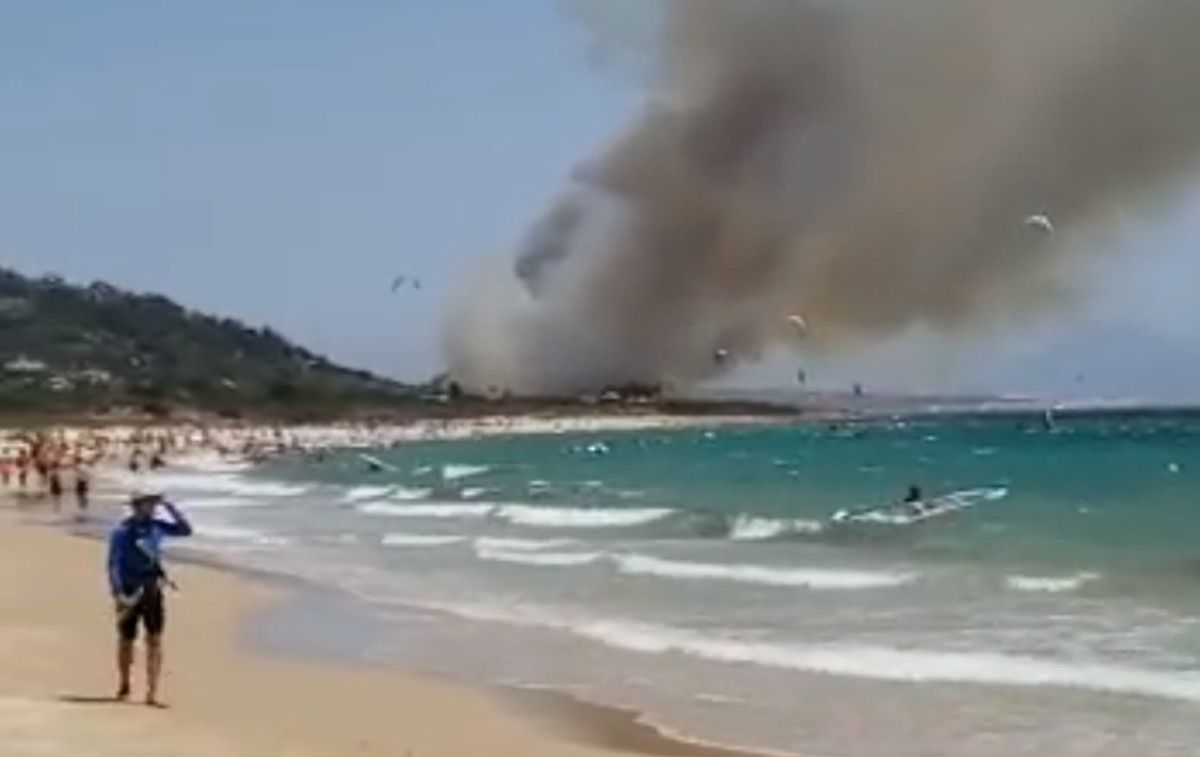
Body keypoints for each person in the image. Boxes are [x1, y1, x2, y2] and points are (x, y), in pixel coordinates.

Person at [107, 491, 192, 706]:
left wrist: (170, 507)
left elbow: (185, 530)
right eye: (148, 504)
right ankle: (124, 683)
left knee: (155, 639)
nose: (152, 508)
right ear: (136, 506)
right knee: (127, 639)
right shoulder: (122, 531)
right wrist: (118, 592)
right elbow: (113, 564)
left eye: (153, 504)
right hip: (129, 588)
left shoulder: (158, 526)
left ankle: (152, 691)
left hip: (152, 588)